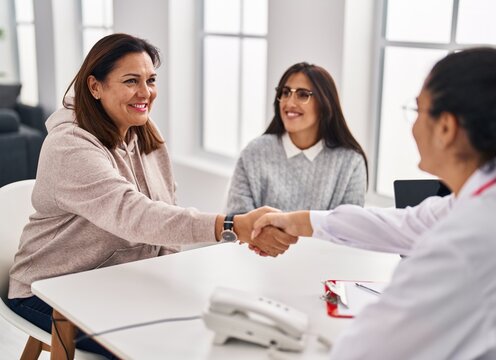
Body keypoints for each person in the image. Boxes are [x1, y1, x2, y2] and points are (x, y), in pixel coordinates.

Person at [7, 33, 291, 358]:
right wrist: (231, 224)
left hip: (120, 282)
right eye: (131, 81)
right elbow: (134, 215)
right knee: (153, 347)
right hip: (50, 291)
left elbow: (163, 211)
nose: (145, 93)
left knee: (206, 328)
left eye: (151, 80)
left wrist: (170, 282)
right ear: (95, 86)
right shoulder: (69, 146)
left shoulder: (144, 134)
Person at [251, 48, 496, 359]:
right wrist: (301, 221)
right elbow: (407, 223)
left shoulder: (466, 239)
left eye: (417, 111)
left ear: (446, 127)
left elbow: (363, 350)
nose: (412, 127)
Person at [225, 62, 368, 214]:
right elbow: (237, 223)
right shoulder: (253, 153)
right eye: (285, 93)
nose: (289, 102)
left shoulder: (351, 162)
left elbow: (348, 230)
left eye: (303, 95)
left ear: (324, 103)